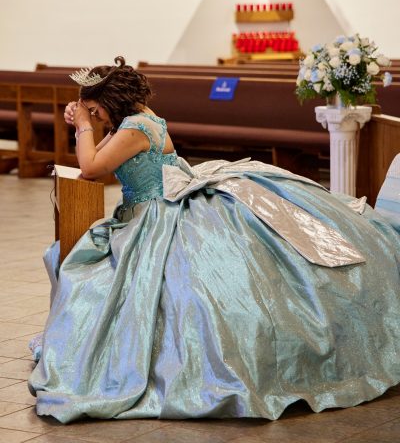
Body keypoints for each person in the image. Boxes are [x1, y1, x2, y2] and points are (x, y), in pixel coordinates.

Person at [28, 56, 400, 424]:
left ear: (111, 102)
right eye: (91, 112)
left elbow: (91, 167)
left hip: (155, 214)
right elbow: (99, 155)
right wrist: (86, 122)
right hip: (146, 209)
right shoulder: (135, 120)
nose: (95, 117)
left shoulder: (135, 128)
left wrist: (83, 126)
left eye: (96, 110)